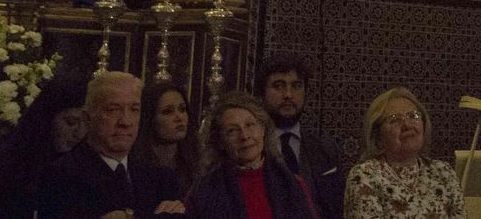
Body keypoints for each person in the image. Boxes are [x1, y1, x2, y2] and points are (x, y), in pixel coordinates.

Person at [36, 71, 185, 218]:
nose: (125, 122)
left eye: (134, 110)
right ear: (88, 117)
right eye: (113, 110)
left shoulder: (161, 178)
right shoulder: (60, 176)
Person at [188, 91, 321, 219]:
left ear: (263, 129)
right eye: (232, 131)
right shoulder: (204, 190)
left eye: (250, 125)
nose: (245, 136)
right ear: (220, 141)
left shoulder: (293, 183)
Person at [0, 72, 88, 219]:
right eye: (70, 123)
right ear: (48, 118)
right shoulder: (2, 165)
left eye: (87, 123)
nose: (79, 133)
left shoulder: (82, 162)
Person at [343, 87, 466, 219]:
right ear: (378, 135)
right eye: (395, 119)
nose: (407, 124)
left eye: (413, 116)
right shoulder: (365, 175)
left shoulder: (443, 172)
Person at [257, 54, 347, 219]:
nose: (288, 95)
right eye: (279, 86)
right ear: (262, 93)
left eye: (296, 86)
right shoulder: (251, 146)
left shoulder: (325, 148)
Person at [136, 80, 202, 193]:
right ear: (150, 118)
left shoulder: (196, 161)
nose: (179, 117)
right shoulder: (135, 166)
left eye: (182, 109)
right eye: (167, 112)